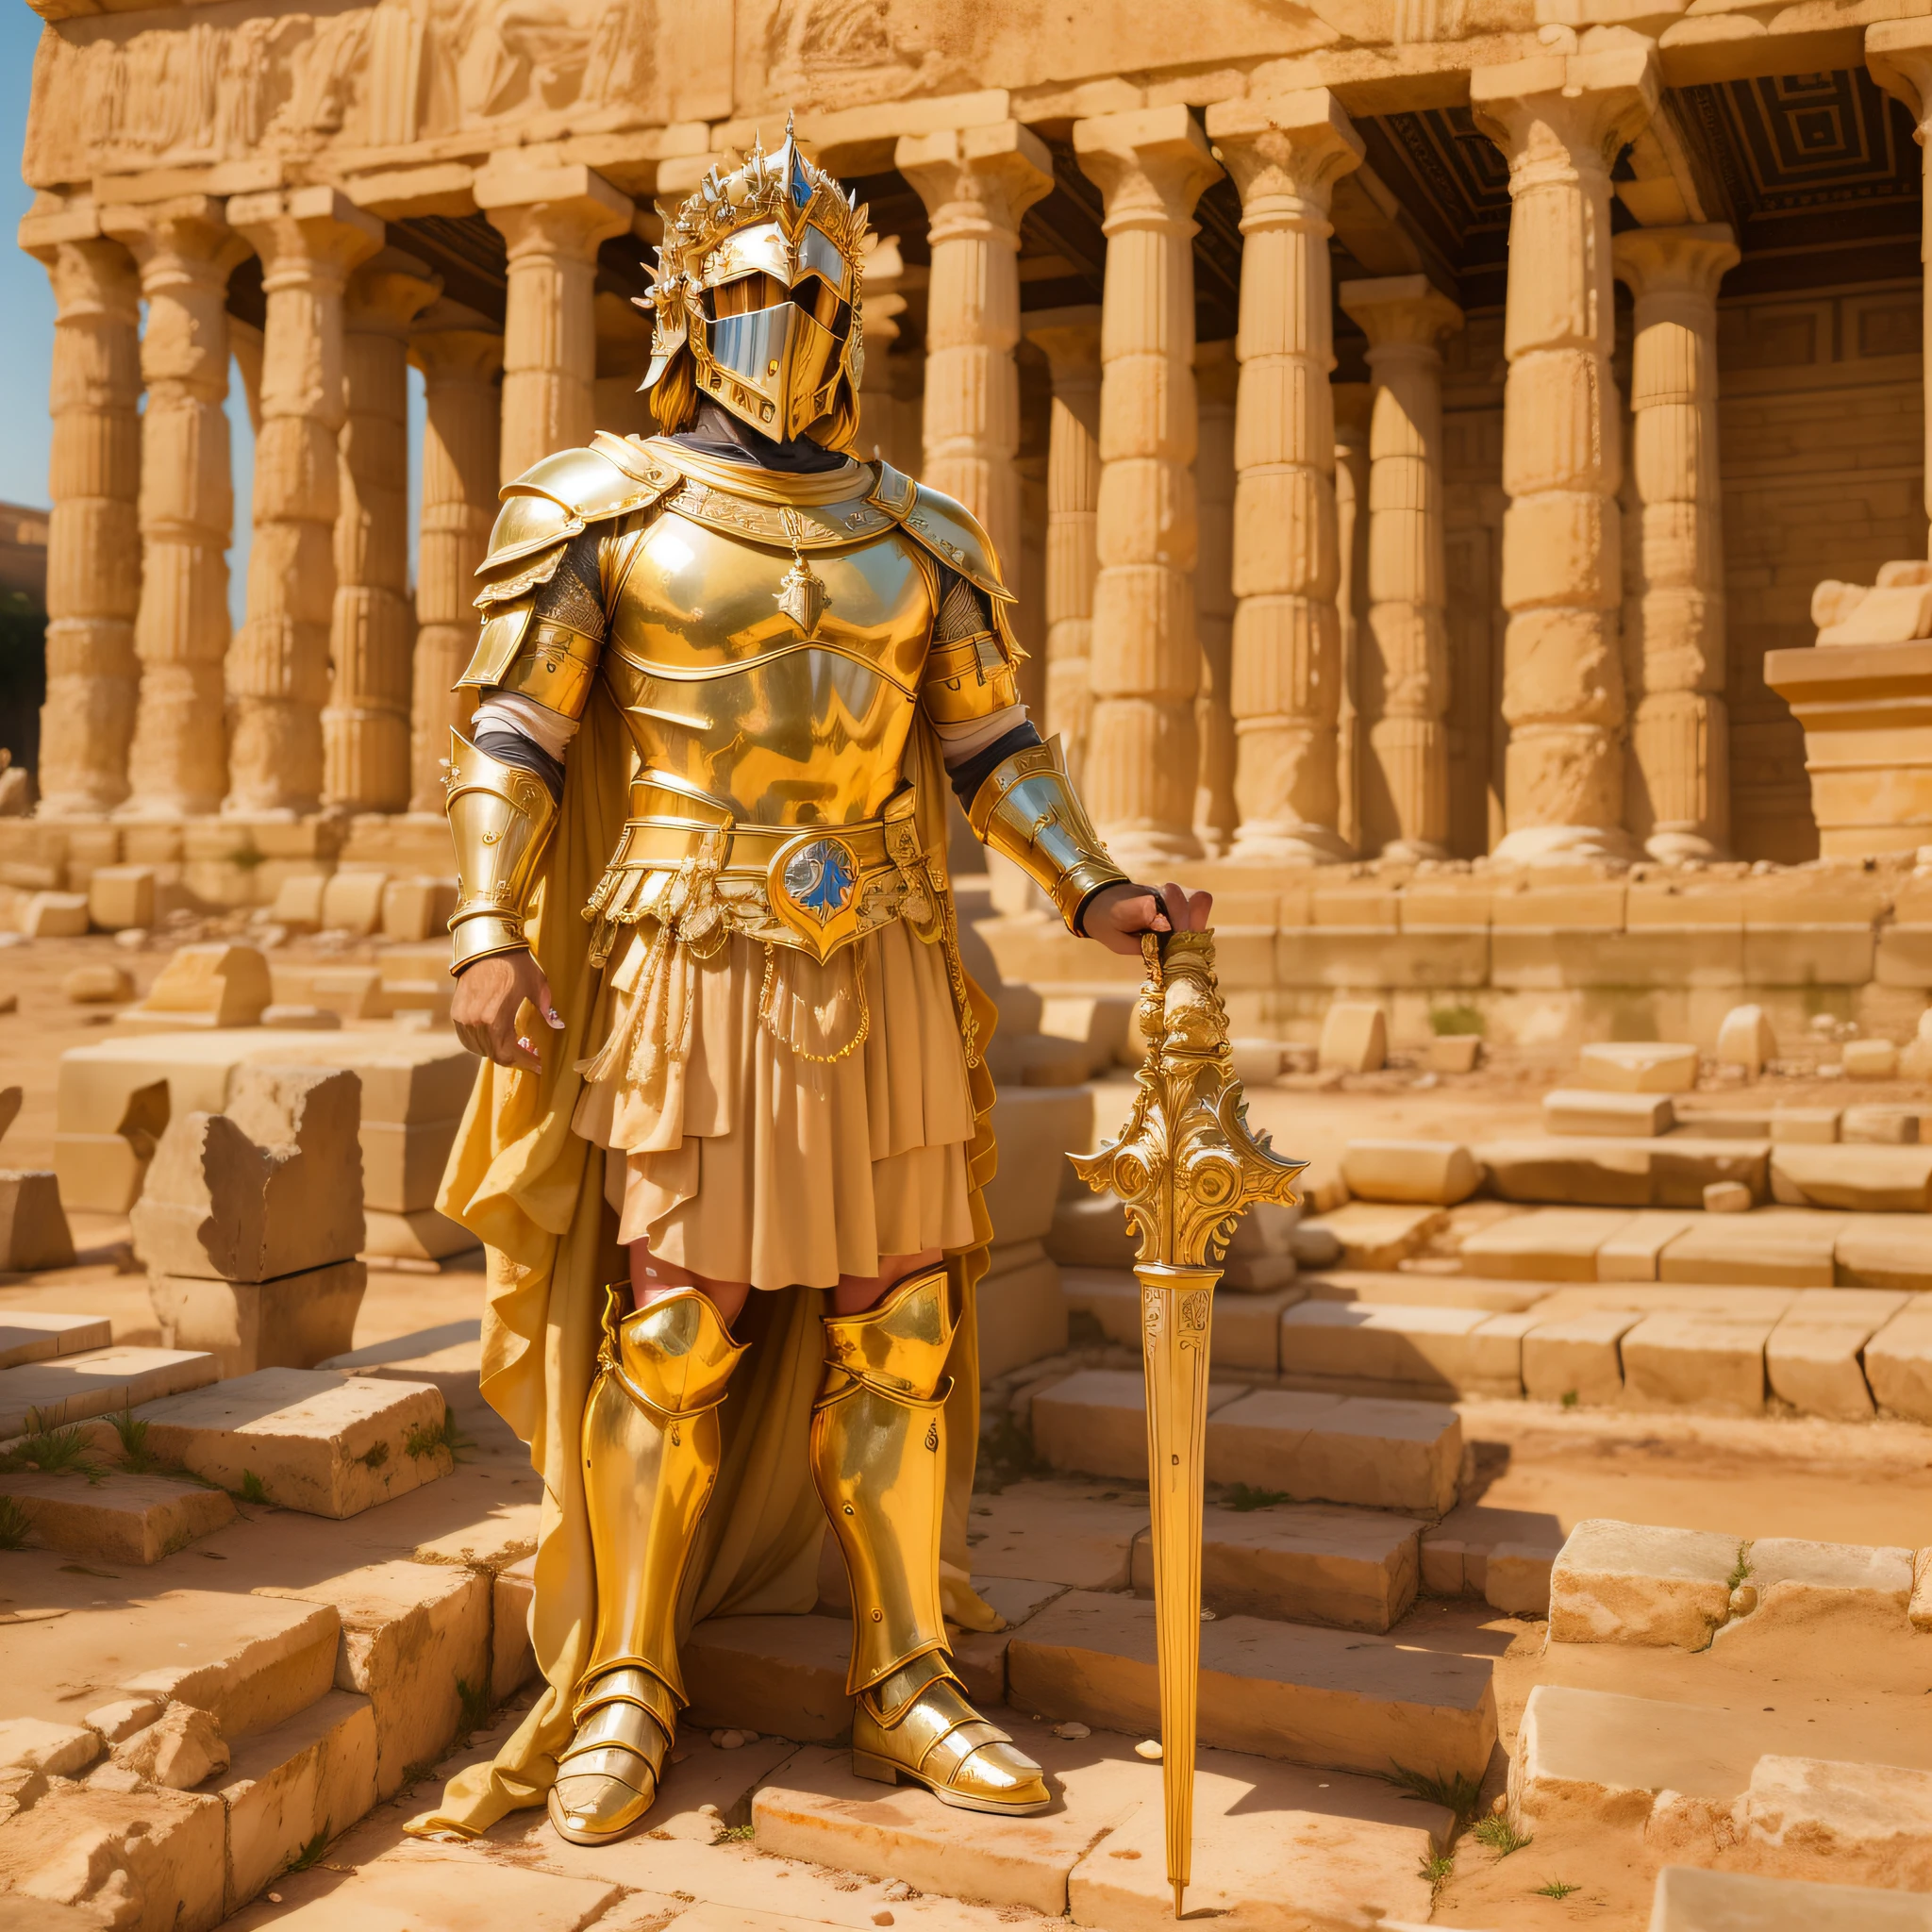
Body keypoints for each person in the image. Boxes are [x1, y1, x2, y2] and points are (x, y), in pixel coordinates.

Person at [412, 123, 1209, 1850]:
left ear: (858, 319)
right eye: (754, 289)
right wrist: (486, 925)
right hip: (684, 943)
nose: (787, 320)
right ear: (687, 312)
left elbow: (994, 742)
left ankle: (902, 1665)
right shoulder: (595, 501)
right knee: (678, 1327)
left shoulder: (921, 529)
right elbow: (516, 736)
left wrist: (1100, 888)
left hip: (891, 949)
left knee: (902, 1323)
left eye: (818, 292)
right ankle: (628, 1673)